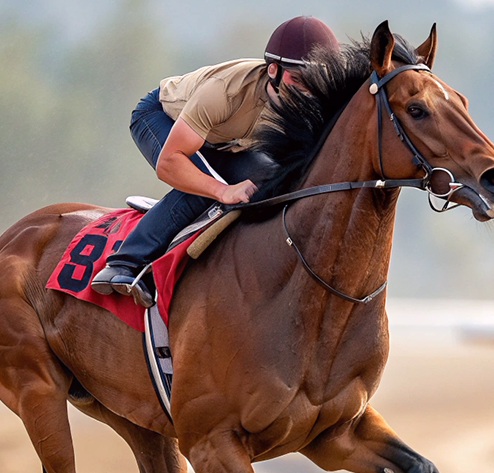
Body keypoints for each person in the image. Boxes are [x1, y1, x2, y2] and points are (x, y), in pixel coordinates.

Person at [90, 16, 340, 306]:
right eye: (297, 80)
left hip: (224, 142)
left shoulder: (310, 99)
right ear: (273, 70)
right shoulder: (224, 91)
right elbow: (170, 164)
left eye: (315, 83)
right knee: (206, 188)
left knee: (273, 181)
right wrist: (222, 191)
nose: (306, 92)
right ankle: (124, 263)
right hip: (160, 119)